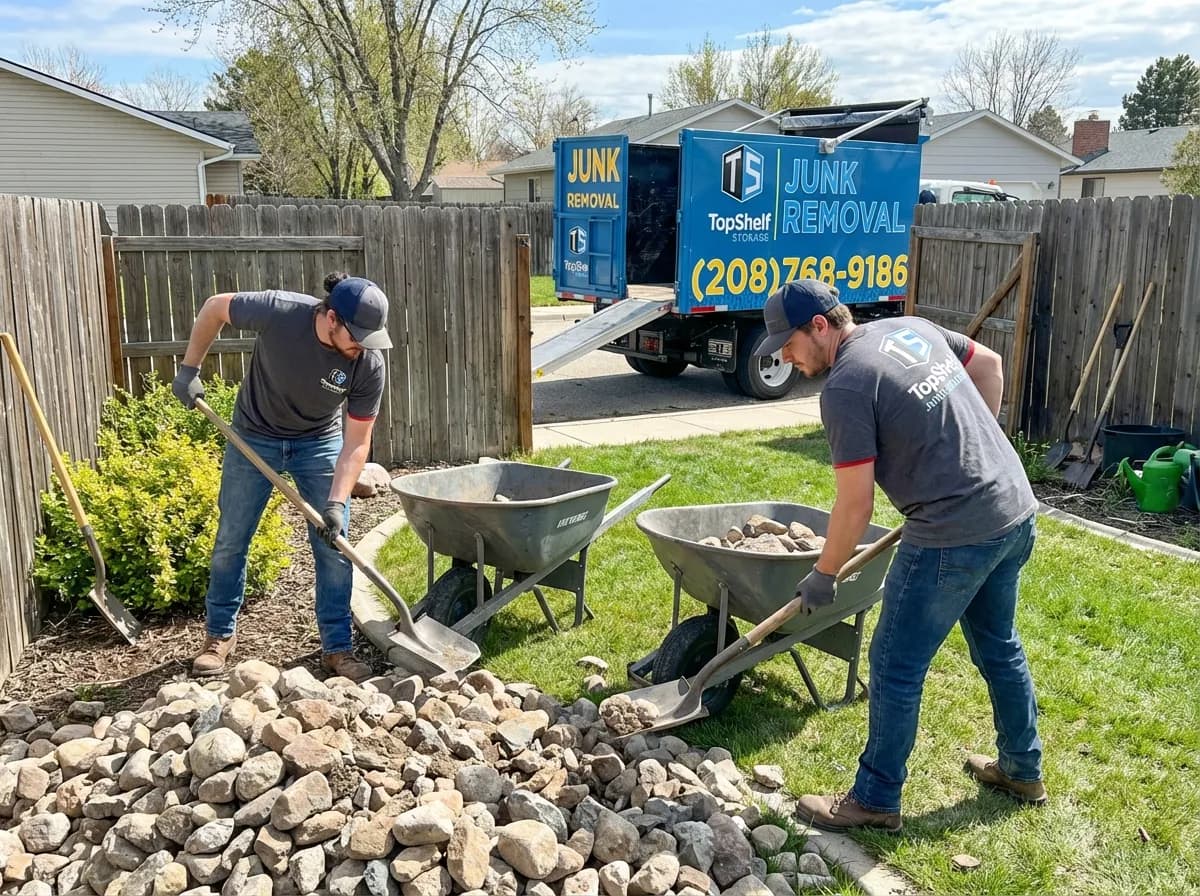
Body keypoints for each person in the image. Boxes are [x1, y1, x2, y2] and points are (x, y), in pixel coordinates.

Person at [758, 279, 1044, 833]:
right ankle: (1022, 768)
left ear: (820, 326)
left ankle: (874, 799)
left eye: (788, 344)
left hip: (952, 531)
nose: (786, 359)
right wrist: (969, 453)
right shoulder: (907, 327)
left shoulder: (845, 385)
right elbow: (988, 363)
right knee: (998, 645)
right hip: (1012, 508)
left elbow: (855, 503)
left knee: (894, 664)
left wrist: (824, 573)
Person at [172, 273, 392, 683]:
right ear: (331, 318)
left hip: (319, 441)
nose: (361, 346)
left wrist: (336, 502)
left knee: (335, 546)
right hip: (254, 433)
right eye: (356, 335)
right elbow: (215, 306)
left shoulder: (368, 363)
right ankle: (219, 636)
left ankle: (337, 647)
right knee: (232, 539)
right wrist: (189, 369)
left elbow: (357, 443)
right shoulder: (280, 311)